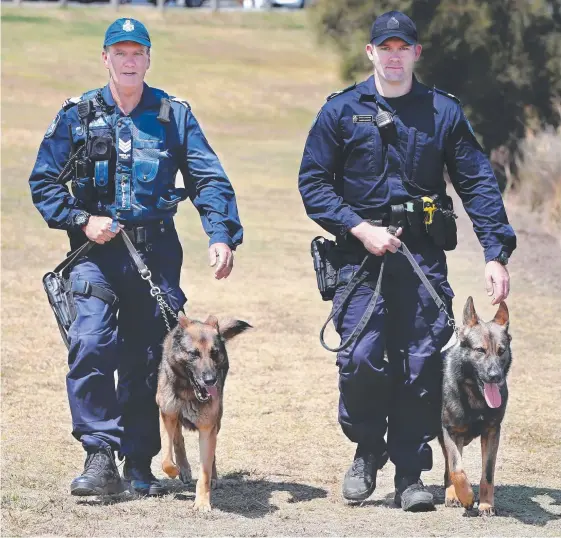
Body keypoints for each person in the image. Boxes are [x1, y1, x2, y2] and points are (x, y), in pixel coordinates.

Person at [298, 10, 515, 511]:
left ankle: (412, 472)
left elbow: (478, 182)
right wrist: (359, 227)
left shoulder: (443, 113)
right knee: (360, 360)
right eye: (384, 48)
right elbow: (313, 183)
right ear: (371, 53)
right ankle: (367, 450)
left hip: (421, 261)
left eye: (404, 49)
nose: (394, 58)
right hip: (360, 260)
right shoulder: (340, 111)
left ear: (417, 53)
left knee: (421, 367)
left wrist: (494, 253)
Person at [29, 18, 243, 497]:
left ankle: (141, 461)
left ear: (148, 59)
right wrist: (82, 219)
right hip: (93, 254)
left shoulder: (172, 115)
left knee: (150, 358)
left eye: (137, 53)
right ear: (105, 58)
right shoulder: (78, 115)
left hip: (156, 255)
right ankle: (99, 456)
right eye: (119, 52)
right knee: (90, 344)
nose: (129, 61)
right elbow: (43, 181)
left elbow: (208, 179)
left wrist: (220, 234)